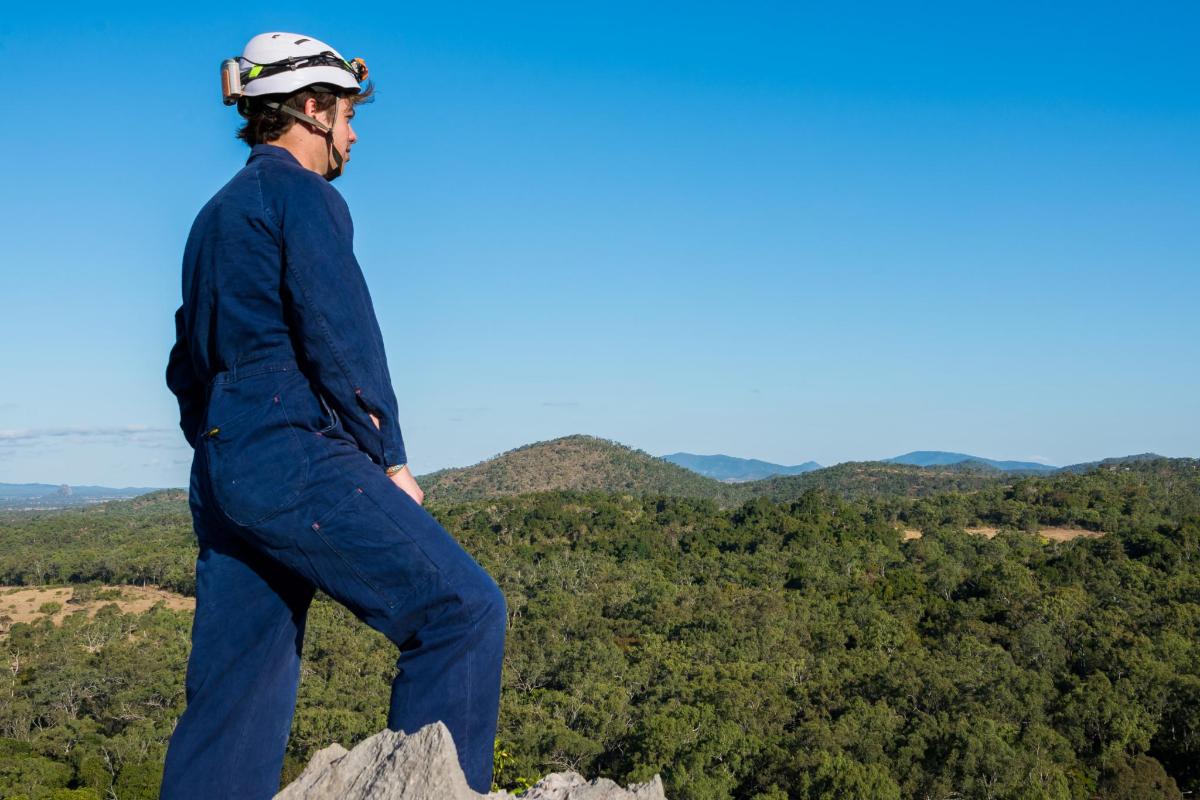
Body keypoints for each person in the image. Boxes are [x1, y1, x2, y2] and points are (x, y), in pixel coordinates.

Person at [160, 32, 506, 799]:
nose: (353, 134)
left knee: (233, 693)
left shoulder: (212, 217)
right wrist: (390, 458)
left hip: (222, 463)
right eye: (347, 115)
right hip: (291, 446)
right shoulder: (304, 195)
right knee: (463, 610)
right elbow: (341, 334)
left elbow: (186, 363)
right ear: (312, 110)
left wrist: (222, 448)